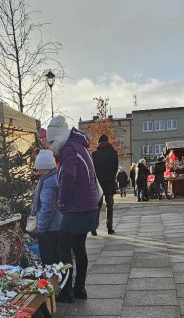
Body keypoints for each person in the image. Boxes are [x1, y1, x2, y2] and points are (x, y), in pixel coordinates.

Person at [47, 116, 98, 302]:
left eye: (51, 141)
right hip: (88, 206)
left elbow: (68, 176)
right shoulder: (79, 146)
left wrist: (61, 201)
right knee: (79, 247)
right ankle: (79, 288)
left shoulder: (69, 148)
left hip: (76, 208)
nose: (51, 145)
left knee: (63, 248)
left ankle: (67, 290)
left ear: (58, 137)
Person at [30, 148, 62, 265]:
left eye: (39, 169)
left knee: (50, 262)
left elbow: (47, 208)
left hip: (50, 229)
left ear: (46, 167)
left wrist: (41, 228)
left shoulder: (48, 182)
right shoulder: (55, 177)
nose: (38, 172)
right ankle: (60, 282)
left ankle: (53, 283)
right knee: (58, 260)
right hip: (57, 226)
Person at [92, 134, 119, 235]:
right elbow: (115, 168)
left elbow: (92, 170)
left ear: (99, 142)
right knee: (110, 205)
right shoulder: (113, 153)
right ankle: (110, 227)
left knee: (97, 207)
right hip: (109, 183)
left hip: (98, 183)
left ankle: (94, 228)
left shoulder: (94, 154)